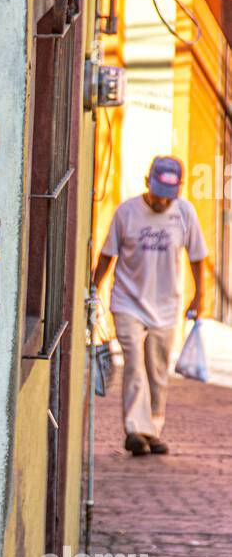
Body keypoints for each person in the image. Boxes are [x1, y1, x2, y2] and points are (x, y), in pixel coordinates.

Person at [93, 155, 207, 457]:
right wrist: (94, 288)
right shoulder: (127, 212)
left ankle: (152, 430)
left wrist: (200, 296)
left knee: (157, 371)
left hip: (166, 305)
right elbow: (107, 254)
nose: (162, 202)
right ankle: (134, 429)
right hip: (127, 301)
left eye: (169, 196)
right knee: (134, 365)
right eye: (158, 195)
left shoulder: (185, 213)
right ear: (148, 183)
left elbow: (197, 256)